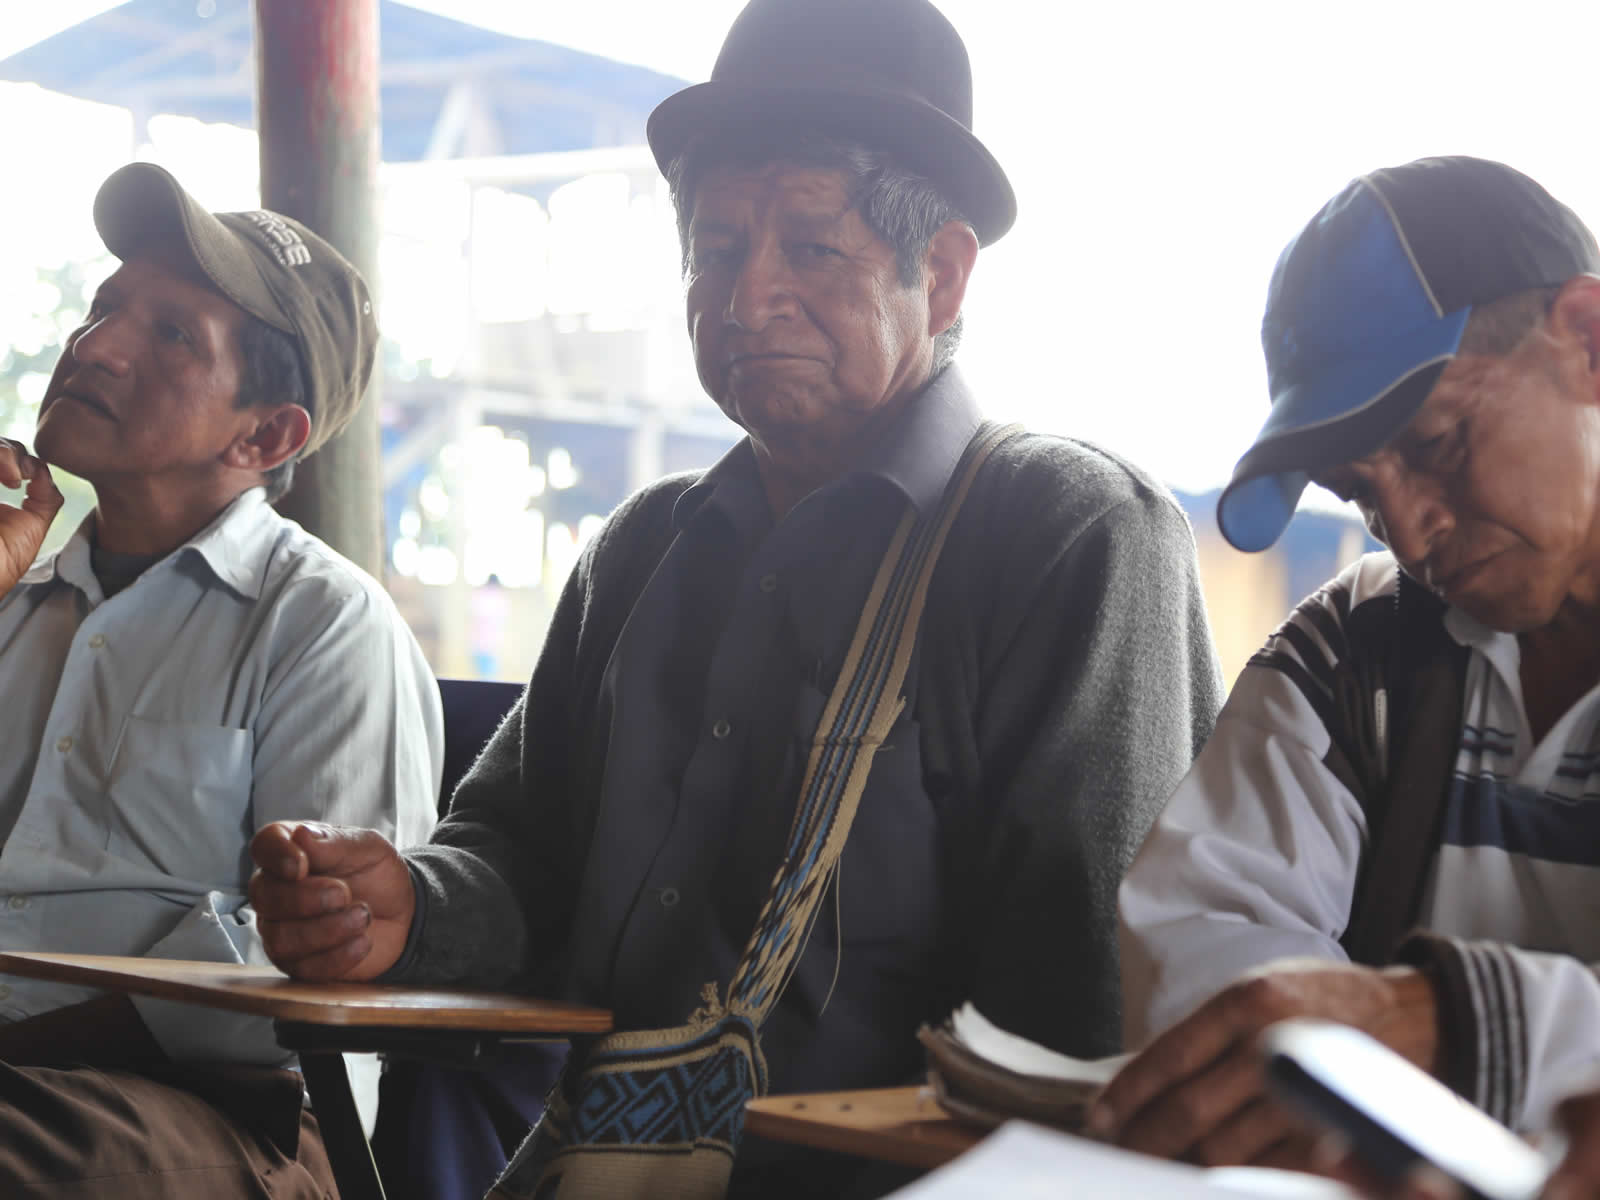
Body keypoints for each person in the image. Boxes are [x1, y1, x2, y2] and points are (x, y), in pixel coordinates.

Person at [250, 0, 1221, 1194]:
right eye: (715, 251)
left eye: (809, 247)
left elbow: (1085, 1013)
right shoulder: (643, 549)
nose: (747, 296)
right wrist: (404, 907)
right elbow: (517, 854)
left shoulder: (1071, 535)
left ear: (945, 270)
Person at [1101, 155, 1600, 1172]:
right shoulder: (1352, 650)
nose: (1409, 536)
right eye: (1360, 497)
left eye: (1439, 444)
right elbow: (1197, 950)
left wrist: (1454, 1024)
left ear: (1587, 340)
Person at [0, 162, 442, 1196]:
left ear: (266, 435)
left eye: (169, 336)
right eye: (107, 308)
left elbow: (291, 972)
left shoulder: (324, 627)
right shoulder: (17, 604)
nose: (95, 345)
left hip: (241, 1119)